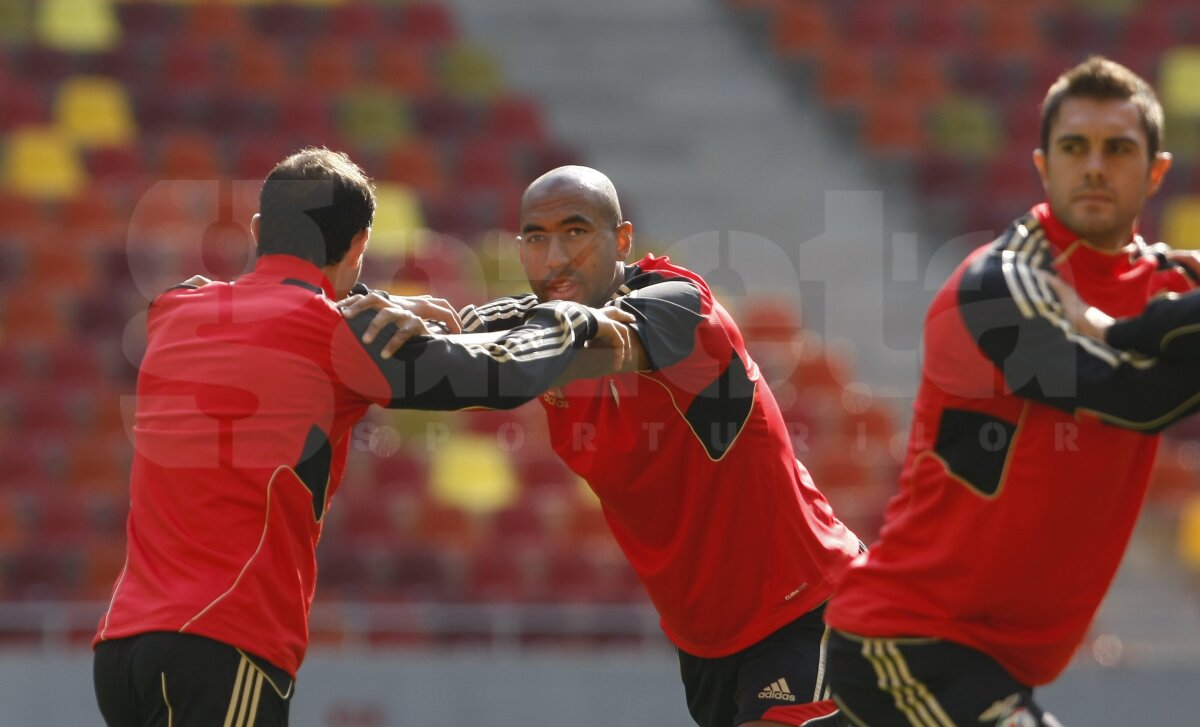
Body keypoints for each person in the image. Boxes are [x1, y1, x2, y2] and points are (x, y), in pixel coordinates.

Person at [92, 148, 633, 727]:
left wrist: (382, 308)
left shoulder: (176, 309)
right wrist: (578, 319)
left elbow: (270, 323)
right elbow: (498, 377)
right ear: (359, 245)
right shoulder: (339, 336)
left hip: (122, 646)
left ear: (257, 230)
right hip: (221, 643)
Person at [345, 165, 861, 727]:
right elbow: (464, 355)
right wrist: (392, 316)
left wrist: (441, 340)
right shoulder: (535, 324)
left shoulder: (682, 309)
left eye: (576, 232)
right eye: (536, 239)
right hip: (708, 647)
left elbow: (558, 353)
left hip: (811, 611)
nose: (555, 257)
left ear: (621, 240)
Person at [822, 56, 1200, 726]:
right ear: (1042, 164)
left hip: (992, 661)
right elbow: (1133, 397)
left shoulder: (1168, 285)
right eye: (1073, 147)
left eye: (1118, 149)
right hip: (908, 640)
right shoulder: (998, 287)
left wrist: (1117, 323)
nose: (1093, 166)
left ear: (1157, 172)